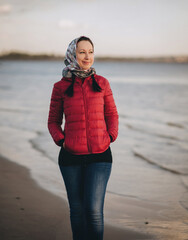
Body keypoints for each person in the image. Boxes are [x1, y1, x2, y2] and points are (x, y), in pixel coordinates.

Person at [48, 36, 118, 240]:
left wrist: (111, 135)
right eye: (82, 52)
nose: (87, 56)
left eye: (90, 52)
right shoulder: (60, 87)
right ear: (73, 54)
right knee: (77, 211)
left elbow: (112, 114)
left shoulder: (102, 83)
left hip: (100, 156)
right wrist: (62, 141)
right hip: (70, 157)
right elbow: (53, 121)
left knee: (94, 211)